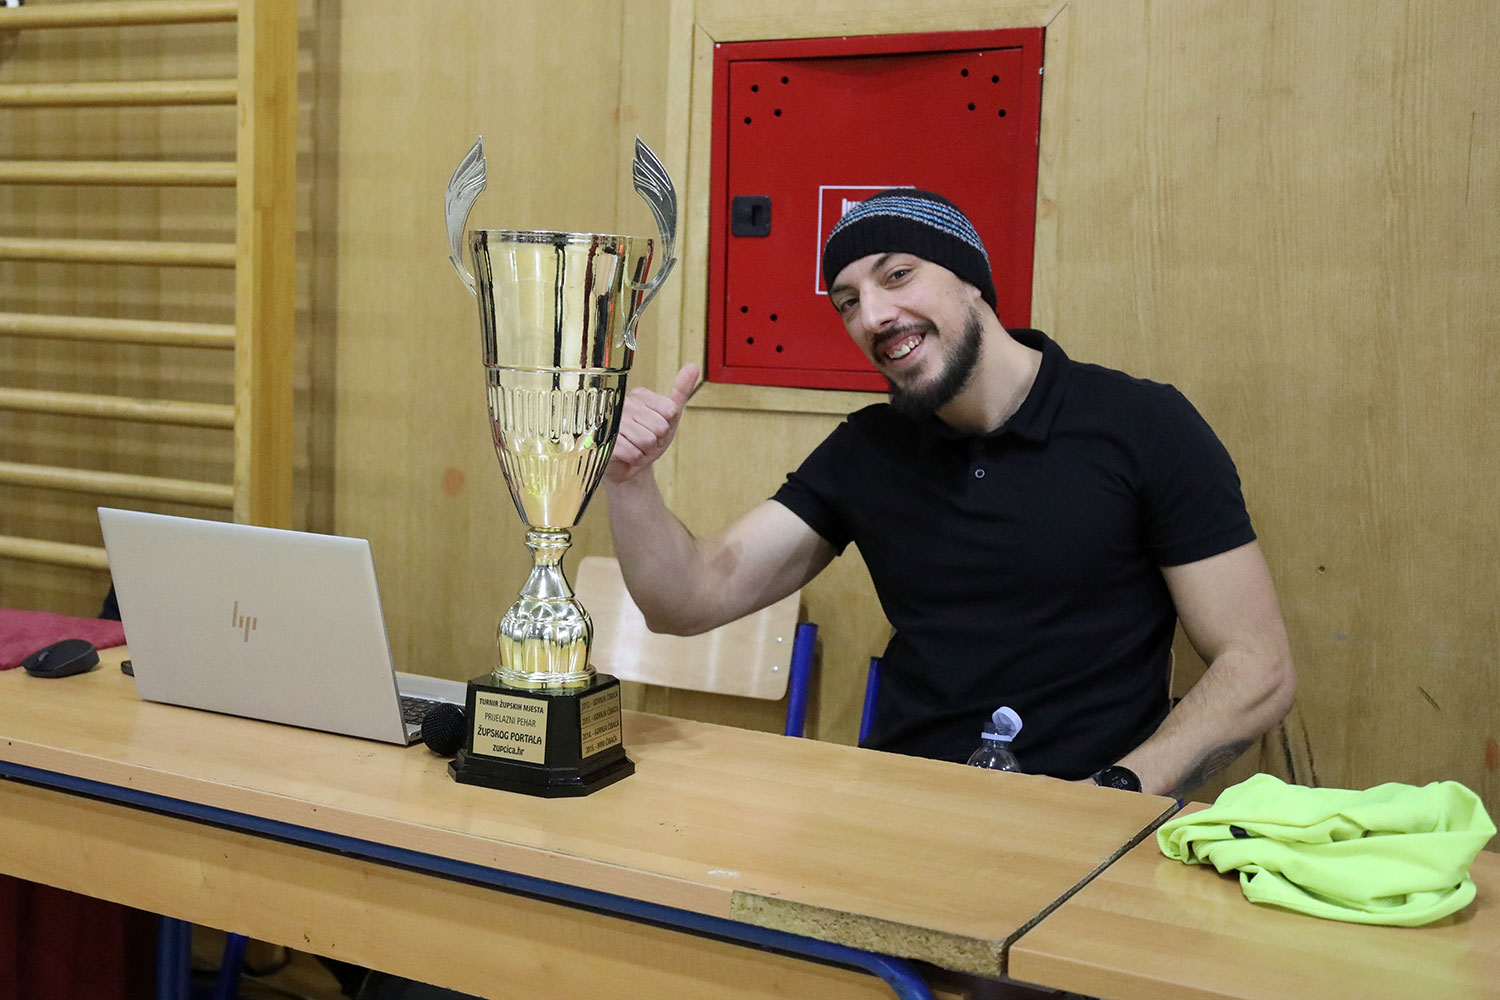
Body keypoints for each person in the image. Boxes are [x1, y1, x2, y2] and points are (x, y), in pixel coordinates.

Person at [603, 189, 1294, 799]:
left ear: (971, 282)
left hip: (1089, 828)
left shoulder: (1143, 425)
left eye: (897, 275)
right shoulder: (869, 449)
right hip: (906, 813)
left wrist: (1113, 793)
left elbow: (1257, 667)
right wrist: (630, 480)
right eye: (848, 302)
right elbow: (685, 601)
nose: (873, 315)